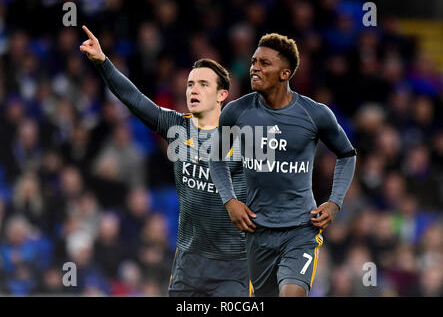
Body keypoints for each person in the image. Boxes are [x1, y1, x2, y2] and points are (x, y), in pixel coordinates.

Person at [79, 25, 249, 297]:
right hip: (188, 265)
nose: (193, 89)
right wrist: (103, 62)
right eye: (190, 84)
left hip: (231, 266)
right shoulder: (177, 128)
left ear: (222, 95)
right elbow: (134, 99)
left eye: (203, 84)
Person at [209, 33, 357, 297]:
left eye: (264, 63)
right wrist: (229, 200)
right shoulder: (236, 112)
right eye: (254, 61)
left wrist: (335, 202)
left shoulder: (315, 114)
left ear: (284, 73)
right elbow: (217, 157)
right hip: (258, 232)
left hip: (301, 229)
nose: (255, 67)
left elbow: (347, 154)